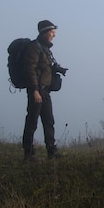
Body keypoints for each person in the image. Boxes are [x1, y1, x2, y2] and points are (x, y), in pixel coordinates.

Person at [22, 20, 68, 161]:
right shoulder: (34, 48)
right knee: (32, 122)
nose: (54, 35)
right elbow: (30, 70)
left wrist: (57, 69)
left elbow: (43, 68)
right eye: (52, 32)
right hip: (37, 91)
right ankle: (28, 154)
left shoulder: (45, 49)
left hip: (45, 91)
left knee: (49, 121)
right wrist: (35, 90)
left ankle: (51, 151)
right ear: (44, 32)